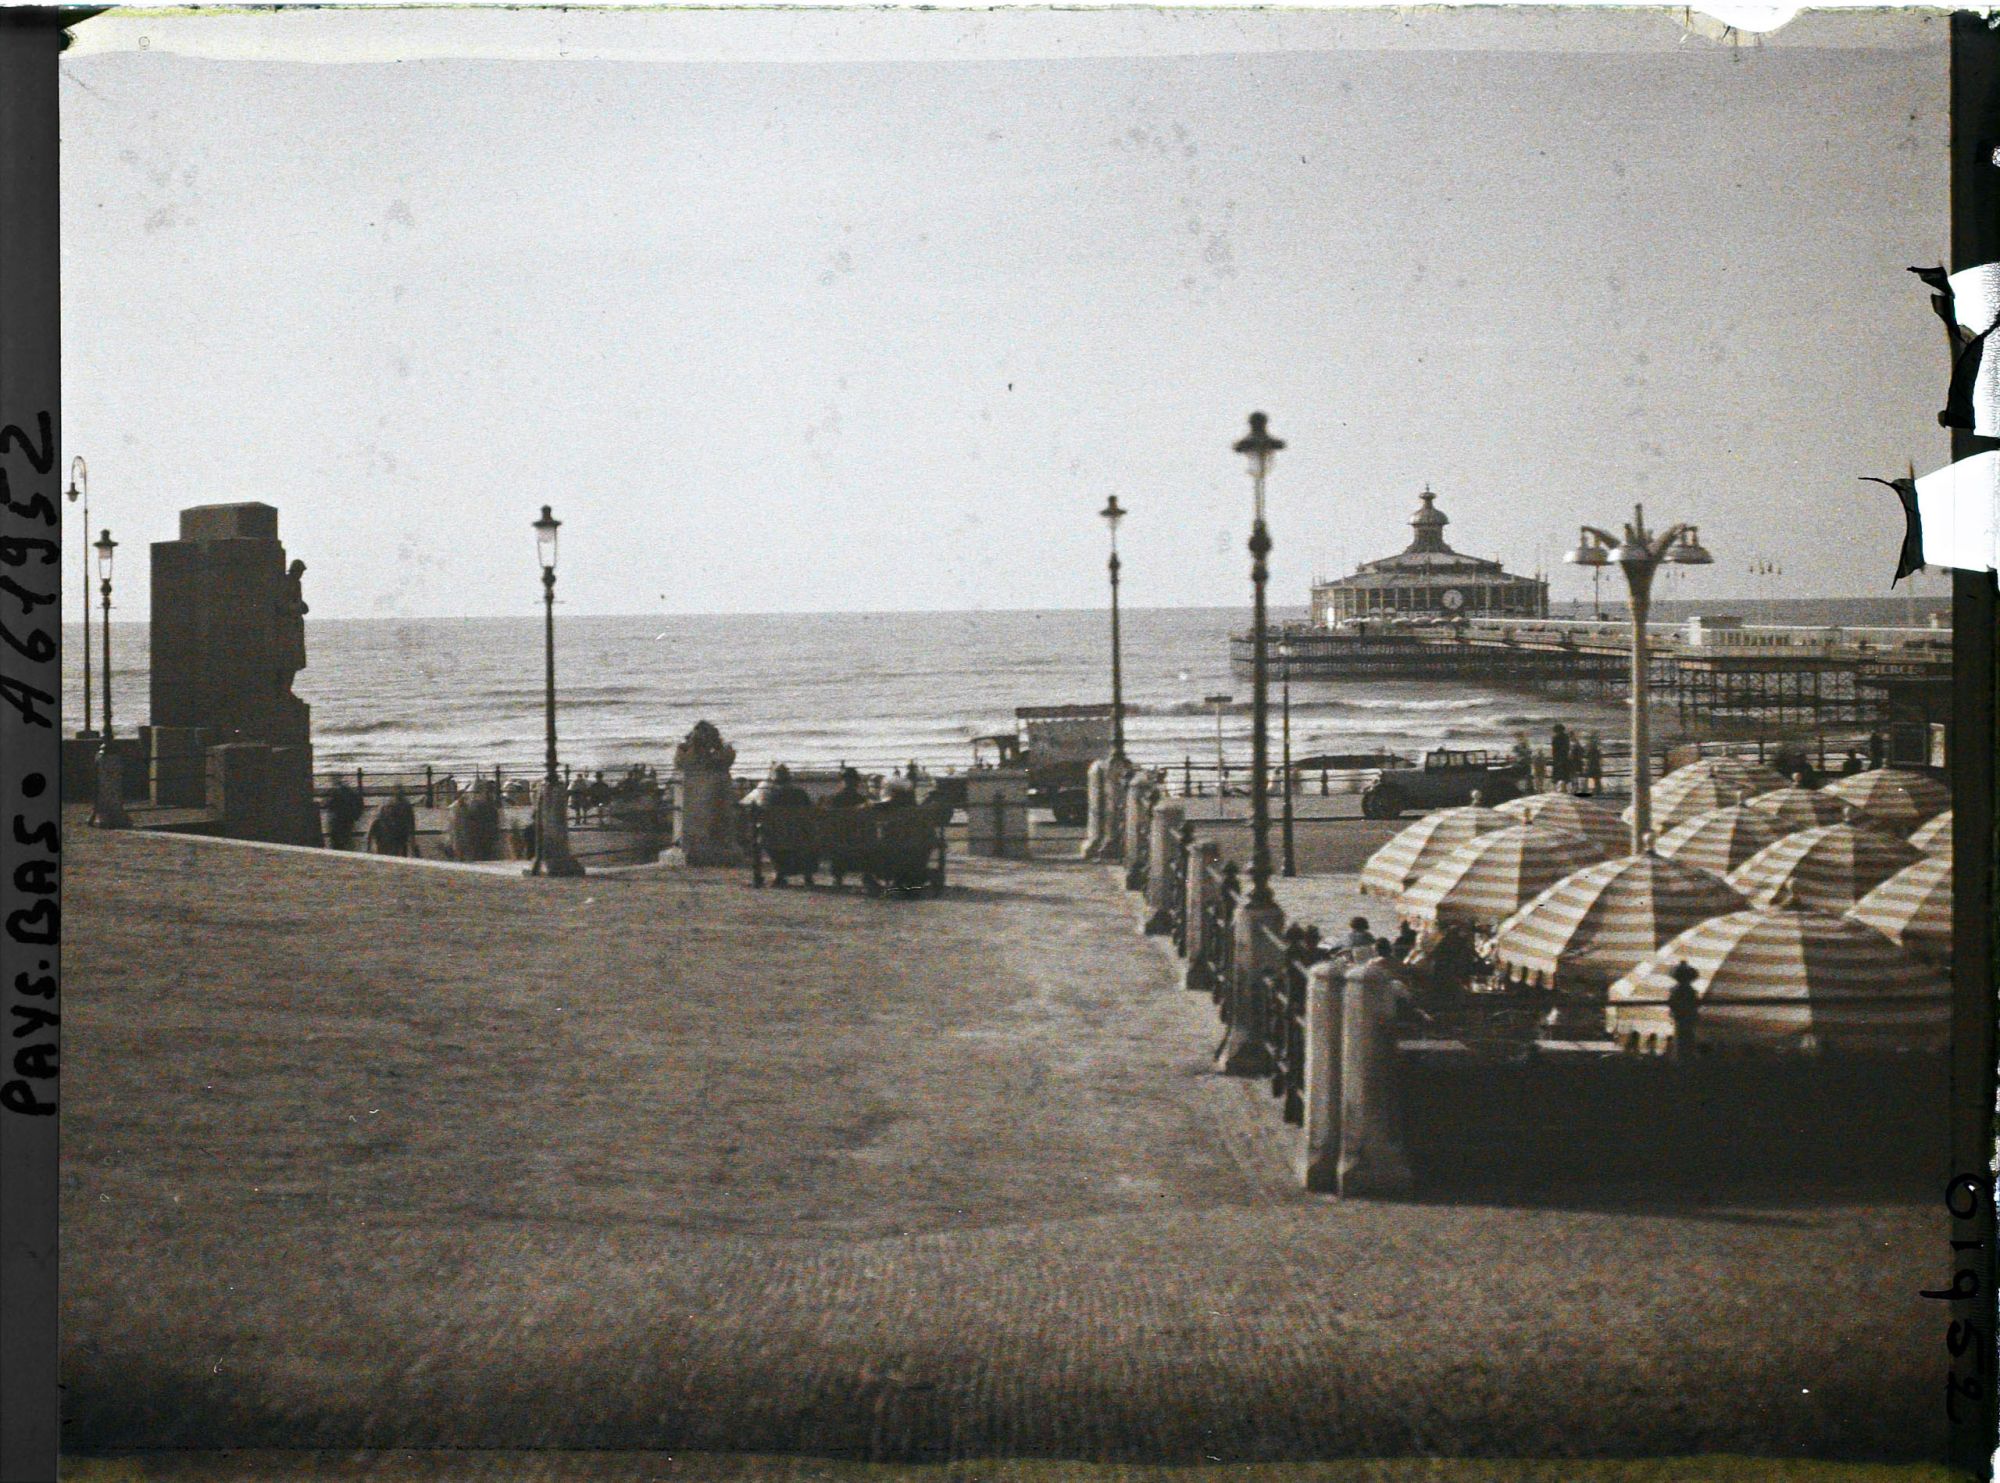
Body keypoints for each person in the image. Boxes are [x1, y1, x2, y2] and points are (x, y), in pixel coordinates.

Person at [367, 783, 418, 857]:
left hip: (388, 835)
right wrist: (412, 841)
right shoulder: (406, 805)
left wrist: (369, 842)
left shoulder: (385, 804)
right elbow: (411, 824)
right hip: (398, 836)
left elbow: (374, 822)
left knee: (386, 855)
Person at [323, 776, 364, 851]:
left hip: (337, 820)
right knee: (346, 838)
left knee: (336, 841)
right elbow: (359, 804)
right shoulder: (350, 792)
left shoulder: (334, 791)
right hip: (348, 820)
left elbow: (328, 804)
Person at [1550, 724, 1573, 794]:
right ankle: (1566, 789)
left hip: (1557, 758)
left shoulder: (1555, 738)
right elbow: (1568, 747)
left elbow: (1554, 749)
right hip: (1565, 757)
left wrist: (1554, 757)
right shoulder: (1566, 737)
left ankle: (1555, 789)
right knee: (1566, 774)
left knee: (1556, 774)